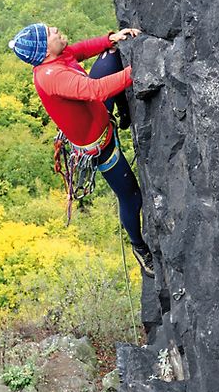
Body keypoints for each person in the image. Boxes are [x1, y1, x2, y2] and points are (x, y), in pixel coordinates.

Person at [8, 22, 154, 277]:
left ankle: (123, 111)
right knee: (131, 197)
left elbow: (79, 51)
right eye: (50, 32)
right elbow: (96, 91)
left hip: (97, 114)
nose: (55, 28)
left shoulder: (57, 58)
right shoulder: (52, 77)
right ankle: (139, 246)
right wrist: (139, 69)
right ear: (44, 51)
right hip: (99, 143)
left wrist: (111, 38)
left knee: (111, 55)